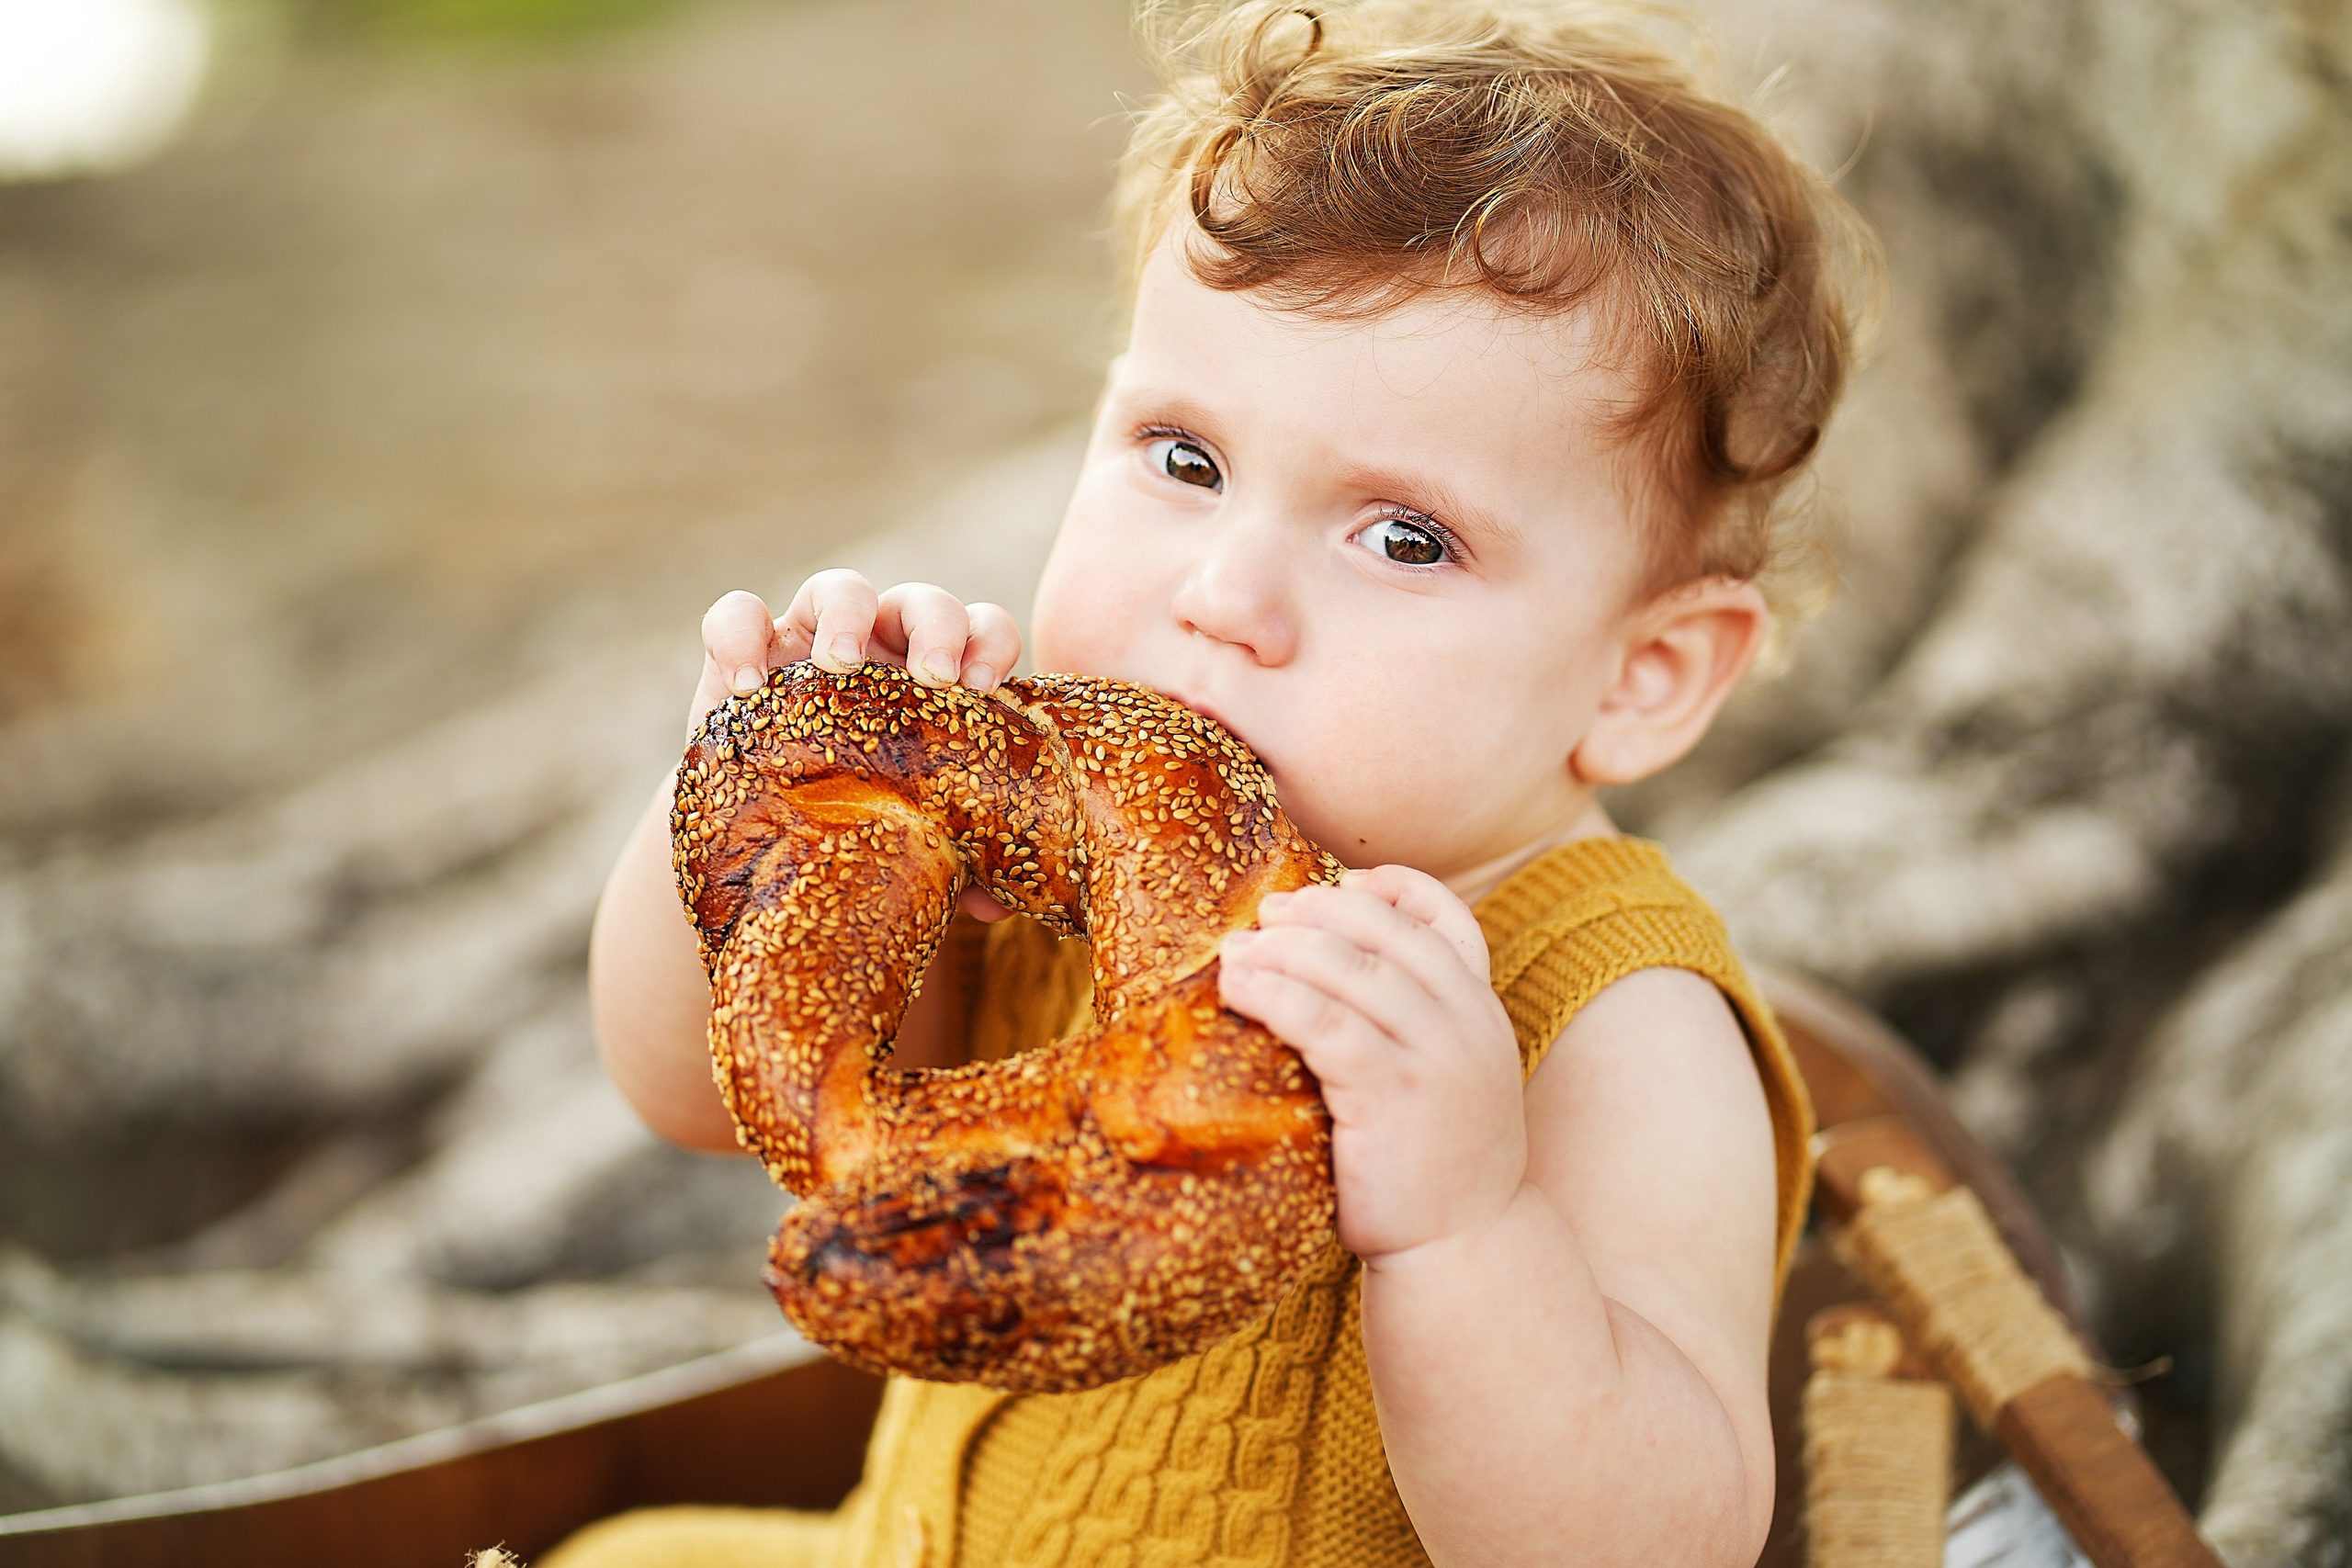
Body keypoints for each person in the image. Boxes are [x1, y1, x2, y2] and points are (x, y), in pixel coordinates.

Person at [561, 2, 1871, 1563]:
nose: (1223, 595)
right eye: (1184, 459)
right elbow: (693, 1093)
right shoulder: (1043, 856)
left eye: (1405, 538)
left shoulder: (1612, 1020)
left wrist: (1465, 1223)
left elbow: (1657, 1544)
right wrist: (761, 804)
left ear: (1641, 676)